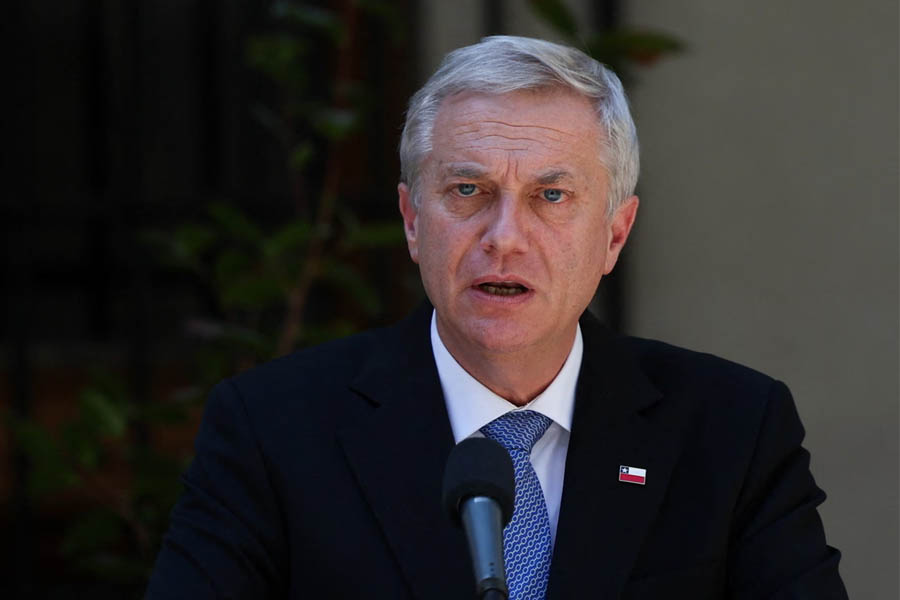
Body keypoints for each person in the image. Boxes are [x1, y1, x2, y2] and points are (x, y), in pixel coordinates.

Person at [146, 36, 848, 599]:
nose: (504, 236)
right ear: (413, 220)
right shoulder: (273, 429)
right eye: (467, 189)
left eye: (550, 194)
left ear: (614, 234)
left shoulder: (732, 428)